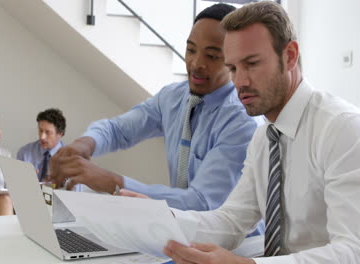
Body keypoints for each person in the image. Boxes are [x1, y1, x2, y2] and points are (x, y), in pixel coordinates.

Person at [163, 2, 360, 263]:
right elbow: (232, 220)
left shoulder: (342, 129)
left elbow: (353, 250)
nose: (239, 82)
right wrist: (158, 218)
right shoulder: (265, 137)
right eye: (233, 68)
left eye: (252, 64)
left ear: (289, 56)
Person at [51, 3, 262, 225]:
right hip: (183, 231)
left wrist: (112, 182)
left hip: (238, 246)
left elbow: (200, 203)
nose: (196, 64)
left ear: (233, 61)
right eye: (191, 50)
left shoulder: (242, 121)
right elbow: (118, 130)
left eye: (212, 56)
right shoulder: (173, 97)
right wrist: (86, 143)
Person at [17, 108, 66, 182]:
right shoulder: (24, 152)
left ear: (60, 134)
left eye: (48, 132)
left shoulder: (71, 159)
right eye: (40, 130)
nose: (42, 137)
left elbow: (76, 192)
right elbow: (15, 185)